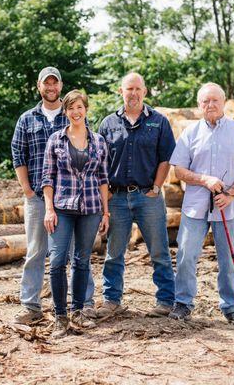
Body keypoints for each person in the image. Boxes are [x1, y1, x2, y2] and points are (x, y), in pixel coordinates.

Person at [169, 82, 234, 326]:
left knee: (229, 259)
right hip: (195, 206)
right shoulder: (190, 133)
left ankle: (231, 307)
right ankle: (183, 303)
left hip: (227, 207)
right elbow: (178, 170)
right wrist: (203, 179)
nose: (210, 105)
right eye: (205, 101)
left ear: (223, 102)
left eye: (215, 100)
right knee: (186, 255)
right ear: (199, 106)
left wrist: (231, 193)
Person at [10, 67, 96, 324]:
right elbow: (18, 156)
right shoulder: (27, 119)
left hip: (71, 198)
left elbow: (88, 152)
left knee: (76, 253)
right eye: (46, 84)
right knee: (36, 251)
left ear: (60, 86)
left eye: (54, 83)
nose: (50, 88)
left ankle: (84, 303)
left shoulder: (73, 115)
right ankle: (31, 306)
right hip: (38, 197)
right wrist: (27, 190)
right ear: (39, 86)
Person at [97, 72, 176, 317]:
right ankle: (112, 300)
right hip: (118, 198)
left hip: (147, 197)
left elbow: (166, 158)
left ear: (145, 91)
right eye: (128, 89)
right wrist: (106, 194)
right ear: (121, 91)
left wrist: (156, 187)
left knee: (160, 251)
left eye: (137, 89)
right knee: (114, 253)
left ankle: (165, 301)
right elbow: (100, 161)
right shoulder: (108, 123)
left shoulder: (158, 122)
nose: (133, 93)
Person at [42, 90, 109, 338]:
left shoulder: (99, 141)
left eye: (79, 107)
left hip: (91, 208)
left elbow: (103, 179)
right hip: (62, 207)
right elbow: (47, 178)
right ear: (65, 111)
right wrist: (49, 209)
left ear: (86, 109)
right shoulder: (56, 140)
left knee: (82, 260)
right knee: (58, 260)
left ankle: (78, 310)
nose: (75, 112)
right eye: (71, 108)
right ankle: (61, 316)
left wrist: (106, 212)